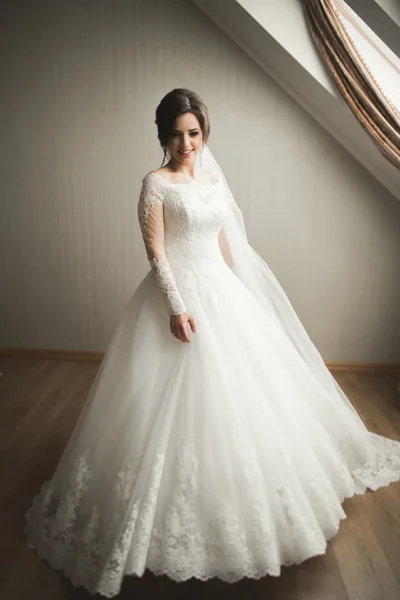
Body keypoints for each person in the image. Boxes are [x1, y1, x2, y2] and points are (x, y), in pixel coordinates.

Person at [24, 88, 400, 598]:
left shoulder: (214, 180)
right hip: (176, 297)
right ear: (163, 136)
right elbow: (156, 251)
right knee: (163, 412)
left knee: (248, 403)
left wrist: (239, 291)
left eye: (194, 133)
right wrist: (177, 306)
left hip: (220, 292)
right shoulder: (154, 185)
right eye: (177, 134)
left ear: (204, 133)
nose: (186, 143)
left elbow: (224, 241)